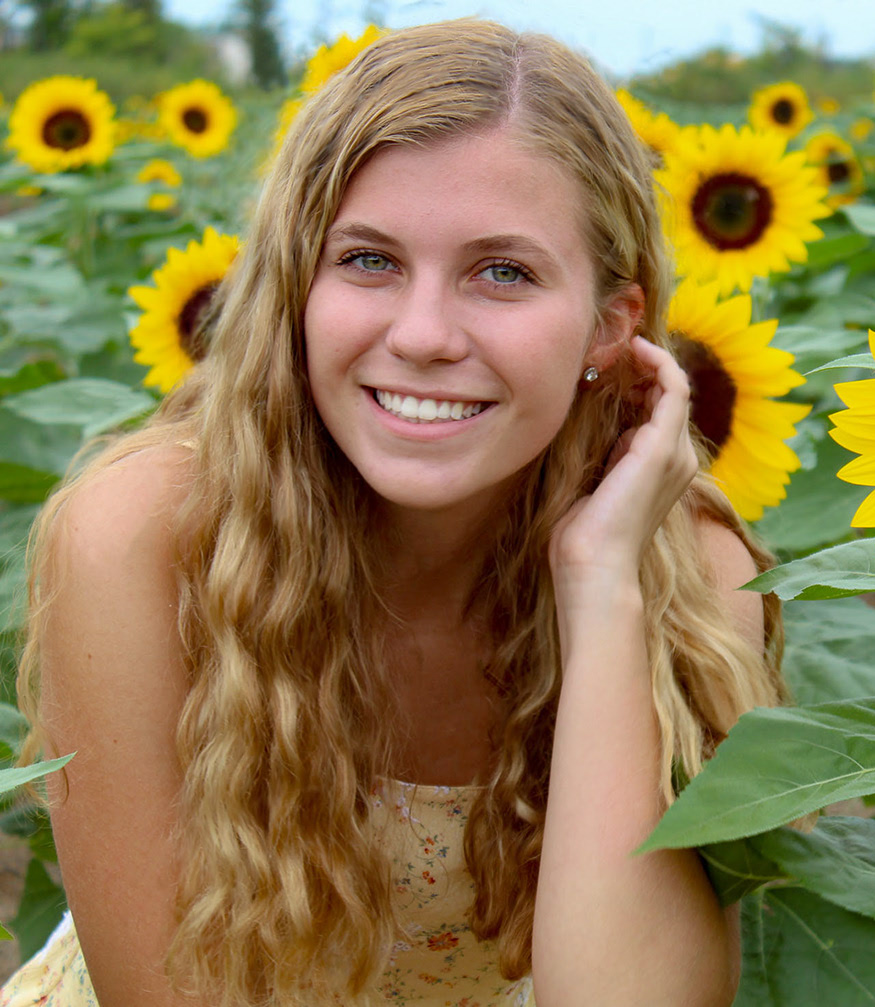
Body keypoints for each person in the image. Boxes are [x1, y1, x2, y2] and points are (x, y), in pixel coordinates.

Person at [1, 18, 787, 1007]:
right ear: (296, 287)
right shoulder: (142, 540)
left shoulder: (694, 576)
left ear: (608, 325)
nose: (421, 335)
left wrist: (600, 593)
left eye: (502, 271)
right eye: (367, 260)